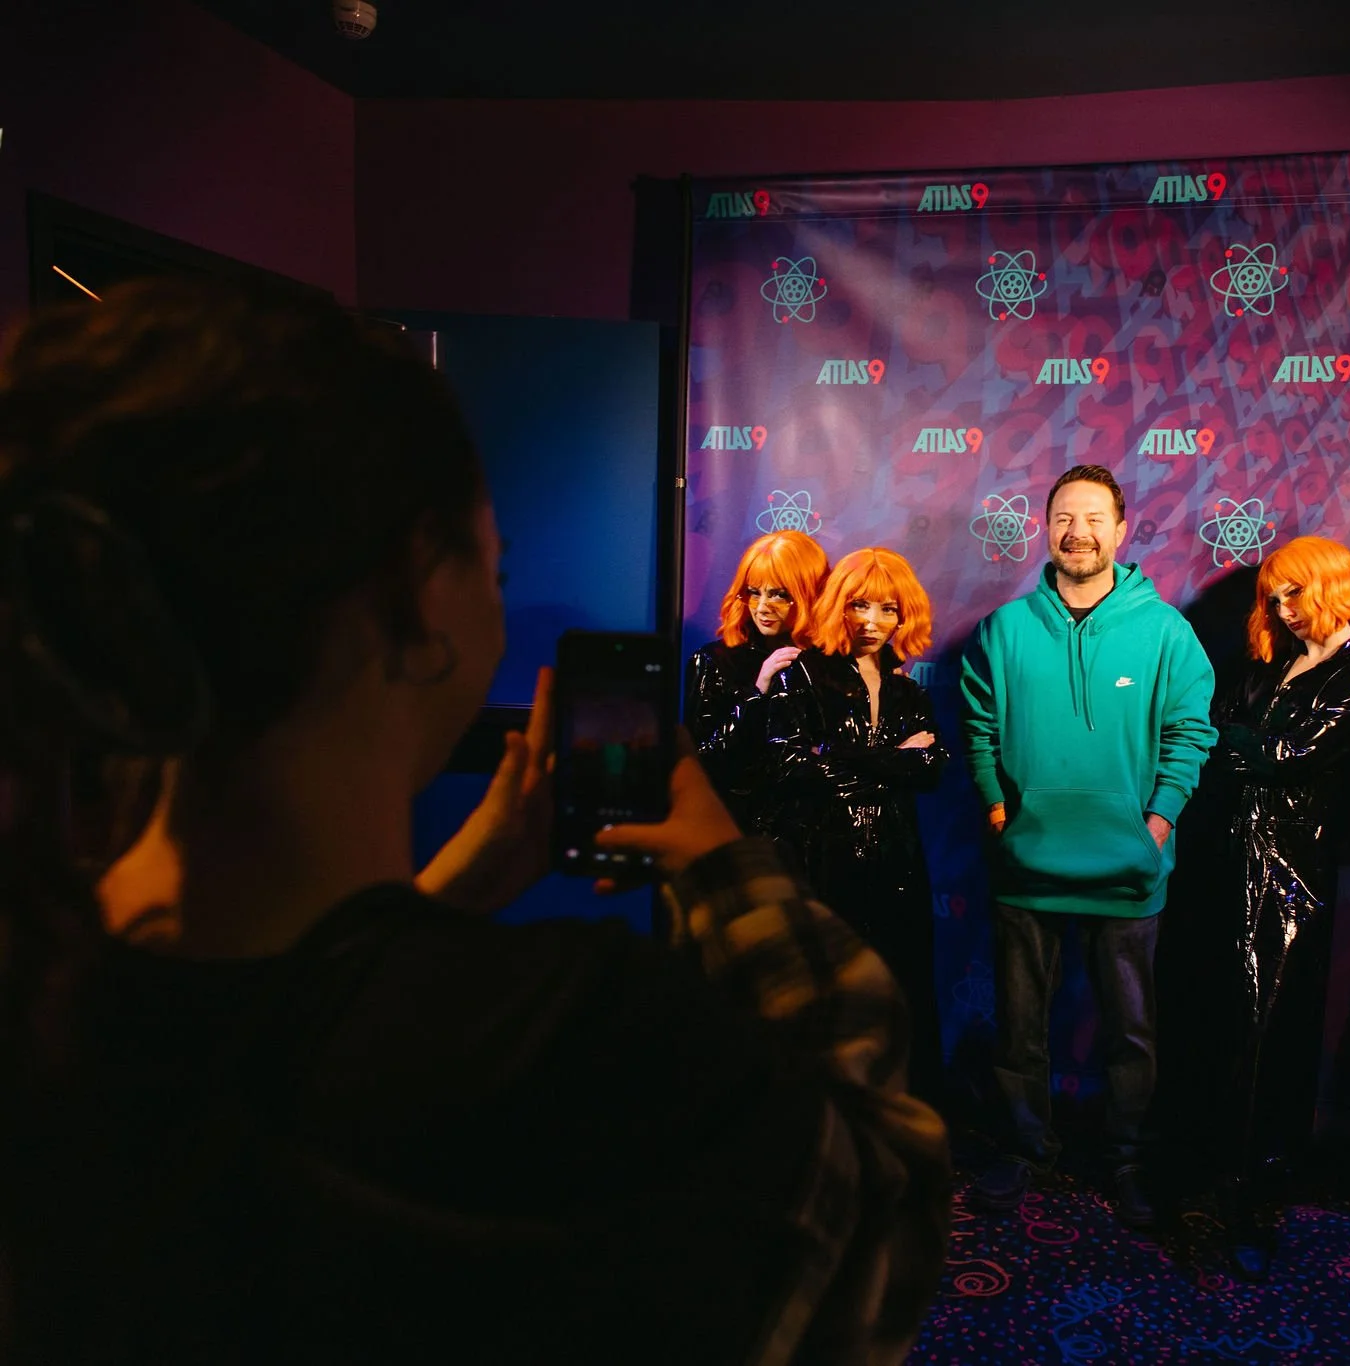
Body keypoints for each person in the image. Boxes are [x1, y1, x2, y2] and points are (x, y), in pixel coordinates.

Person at [0, 280, 948, 1364]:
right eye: (491, 560)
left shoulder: (46, 992)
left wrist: (431, 902)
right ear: (419, 598)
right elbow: (876, 1217)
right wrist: (731, 875)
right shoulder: (580, 1038)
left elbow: (271, 1011)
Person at [959, 463, 1217, 1226]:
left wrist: (1156, 825)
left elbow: (1190, 733)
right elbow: (978, 728)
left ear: (1121, 530)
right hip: (1027, 867)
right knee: (1019, 1027)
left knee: (1130, 1033)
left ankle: (1127, 1159)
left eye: (1094, 518)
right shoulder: (1005, 629)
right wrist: (999, 812)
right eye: (1065, 518)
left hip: (1130, 868)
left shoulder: (1165, 631)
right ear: (1047, 528)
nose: (1078, 533)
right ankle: (1024, 1148)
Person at [1209, 536, 1350, 1278]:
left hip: (1291, 875)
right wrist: (1237, 740)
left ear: (1333, 586)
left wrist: (1232, 740)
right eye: (1273, 597)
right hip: (1225, 862)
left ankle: (1258, 1199)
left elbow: (1286, 755)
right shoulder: (1269, 663)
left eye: (1295, 593)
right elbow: (1223, 734)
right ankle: (1223, 1178)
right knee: (1224, 1024)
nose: (1282, 609)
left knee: (1272, 1033)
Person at [763, 547, 948, 1103]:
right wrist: (893, 758)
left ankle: (896, 1118)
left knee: (898, 990)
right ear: (838, 605)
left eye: (888, 608)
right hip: (821, 856)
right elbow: (790, 766)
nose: (872, 621)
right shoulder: (802, 675)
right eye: (859, 605)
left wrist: (841, 758)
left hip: (896, 861)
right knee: (823, 996)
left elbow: (931, 768)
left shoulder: (908, 689)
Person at [683, 529, 829, 834]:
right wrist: (757, 692)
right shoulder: (715, 660)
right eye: (753, 592)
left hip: (817, 832)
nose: (762, 607)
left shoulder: (830, 663)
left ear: (810, 594)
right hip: (742, 829)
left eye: (779, 594)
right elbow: (704, 760)